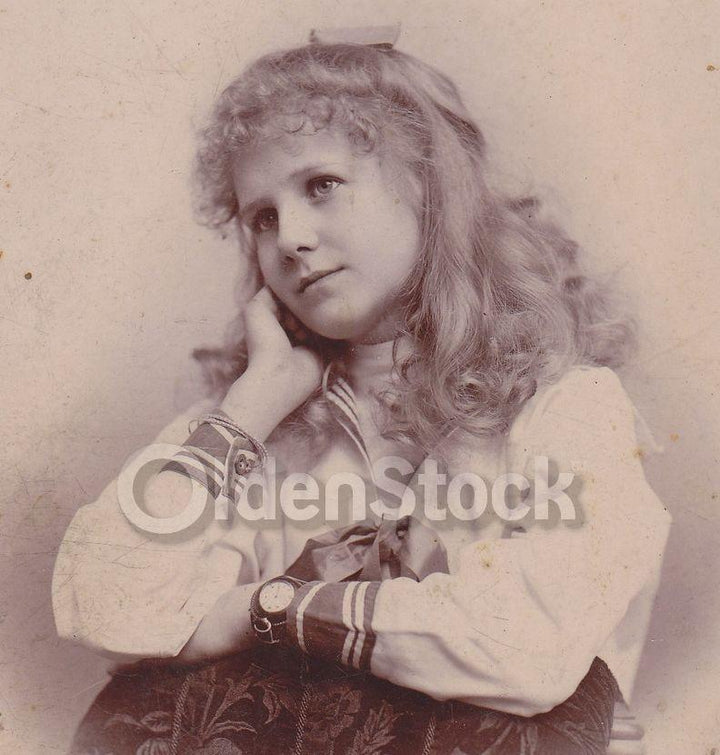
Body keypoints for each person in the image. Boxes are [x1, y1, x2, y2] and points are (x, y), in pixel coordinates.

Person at [52, 33, 671, 755]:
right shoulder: (254, 426)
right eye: (262, 217)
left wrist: (263, 613)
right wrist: (250, 408)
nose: (291, 238)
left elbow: (527, 647)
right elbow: (105, 600)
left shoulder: (567, 407)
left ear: (430, 188)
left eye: (321, 185)